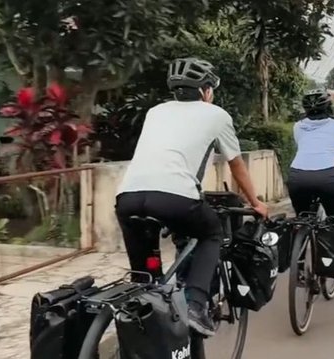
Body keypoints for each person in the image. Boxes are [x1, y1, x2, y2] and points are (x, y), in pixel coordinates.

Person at [115, 57, 268, 336]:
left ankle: (144, 321)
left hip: (128, 198)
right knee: (211, 234)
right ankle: (196, 305)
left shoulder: (156, 111)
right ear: (205, 90)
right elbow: (235, 164)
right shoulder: (217, 115)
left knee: (145, 281)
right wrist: (255, 202)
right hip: (175, 198)